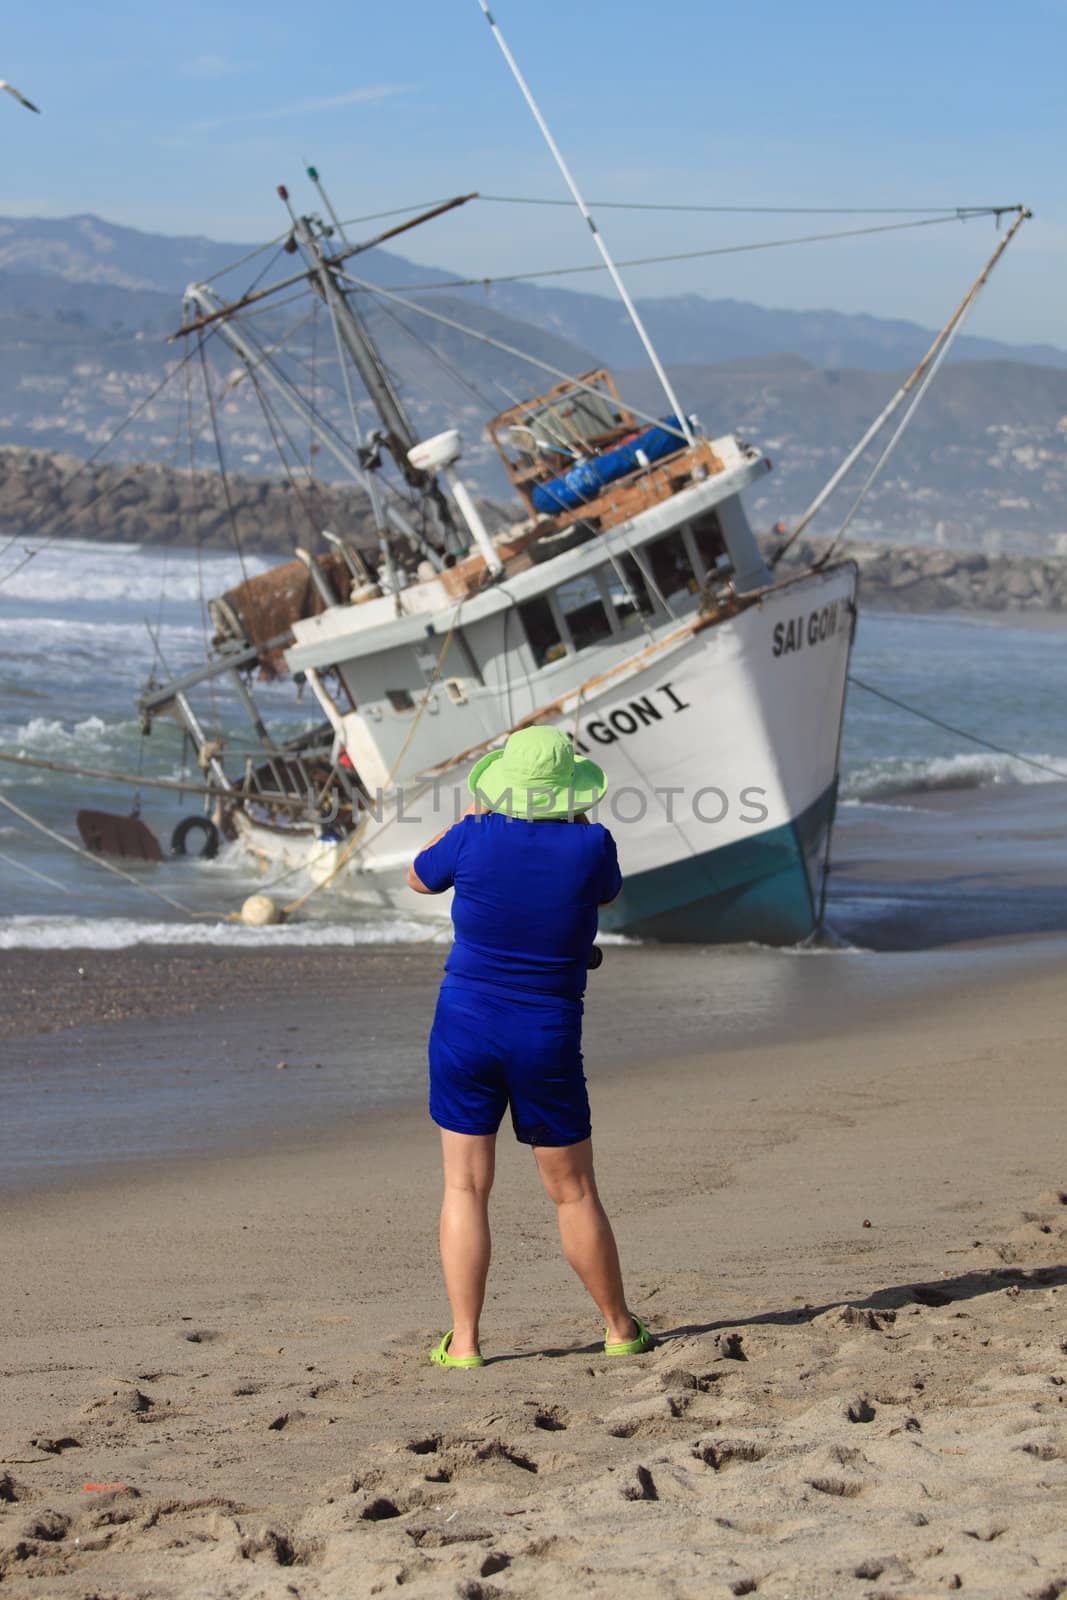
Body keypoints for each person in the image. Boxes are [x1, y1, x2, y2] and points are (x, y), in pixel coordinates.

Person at [407, 724, 652, 1369]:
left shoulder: (472, 835)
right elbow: (607, 892)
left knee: (464, 1188)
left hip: (464, 1026)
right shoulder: (592, 843)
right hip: (545, 1033)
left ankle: (464, 1343)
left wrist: (468, 818)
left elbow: (417, 877)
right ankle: (620, 1328)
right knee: (573, 1193)